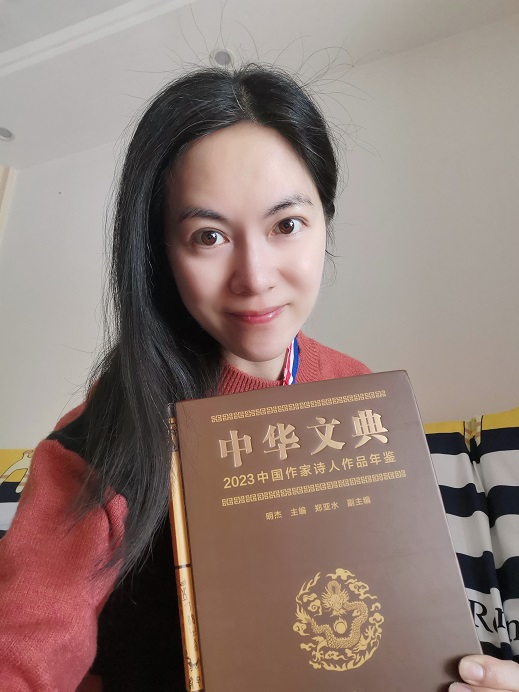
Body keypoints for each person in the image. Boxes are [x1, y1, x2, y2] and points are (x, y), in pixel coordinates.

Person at [0, 64, 516, 692]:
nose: (255, 276)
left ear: (324, 221)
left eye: (286, 225)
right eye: (208, 236)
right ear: (161, 254)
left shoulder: (358, 394)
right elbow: (22, 652)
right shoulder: (105, 435)